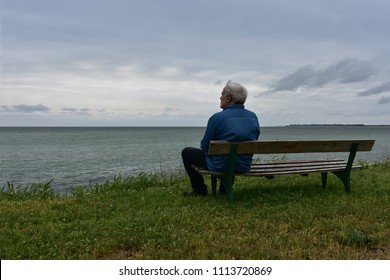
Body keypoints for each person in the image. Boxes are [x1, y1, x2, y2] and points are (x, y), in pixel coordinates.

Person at [181, 81, 260, 196]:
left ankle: (200, 190)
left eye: (222, 94)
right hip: (243, 165)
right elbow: (253, 141)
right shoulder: (253, 117)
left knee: (187, 152)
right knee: (234, 152)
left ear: (228, 99)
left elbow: (205, 146)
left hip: (220, 165)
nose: (220, 97)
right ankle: (224, 189)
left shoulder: (217, 118)